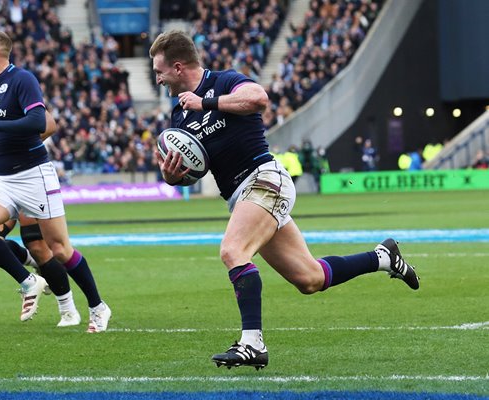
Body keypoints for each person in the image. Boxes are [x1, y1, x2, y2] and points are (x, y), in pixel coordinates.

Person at [150, 30, 419, 369]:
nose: (157, 79)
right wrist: (172, 175)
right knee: (310, 279)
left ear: (177, 67)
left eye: (159, 71)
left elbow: (259, 99)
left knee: (233, 251)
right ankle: (383, 257)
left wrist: (206, 102)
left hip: (264, 179)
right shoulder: (179, 116)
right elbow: (191, 170)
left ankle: (252, 344)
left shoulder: (223, 82)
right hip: (242, 195)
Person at [0, 30, 111, 332]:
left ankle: (98, 306)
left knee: (60, 250)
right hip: (2, 180)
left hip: (34, 175)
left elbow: (38, 122)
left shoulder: (23, 80)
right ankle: (29, 281)